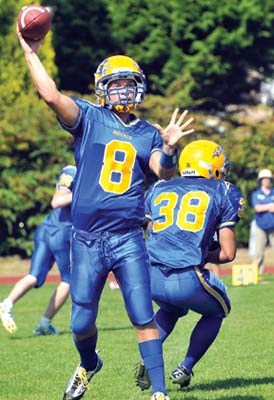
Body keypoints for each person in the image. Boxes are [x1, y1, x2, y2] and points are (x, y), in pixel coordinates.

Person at [17, 27, 195, 400]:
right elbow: (50, 95)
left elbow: (163, 171)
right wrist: (32, 52)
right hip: (85, 239)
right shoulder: (88, 117)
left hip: (128, 237)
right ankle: (89, 362)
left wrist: (170, 147)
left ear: (139, 88)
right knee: (81, 322)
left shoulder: (148, 132)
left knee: (141, 316)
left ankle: (159, 393)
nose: (124, 90)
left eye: (129, 84)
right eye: (116, 84)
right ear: (102, 88)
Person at [135, 140, 244, 391]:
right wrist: (203, 252)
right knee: (218, 310)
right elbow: (228, 254)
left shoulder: (159, 188)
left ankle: (148, 357)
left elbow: (152, 231)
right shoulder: (223, 190)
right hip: (186, 276)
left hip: (152, 275)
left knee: (171, 310)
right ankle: (185, 367)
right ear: (212, 166)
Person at [0, 165, 76, 335]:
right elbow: (57, 201)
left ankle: (7, 304)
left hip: (47, 228)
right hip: (61, 231)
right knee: (68, 280)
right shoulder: (73, 172)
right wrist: (83, 192)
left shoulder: (77, 171)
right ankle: (44, 324)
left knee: (34, 276)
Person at [251, 169, 274, 275]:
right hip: (260, 226)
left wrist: (263, 206)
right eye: (264, 179)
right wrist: (270, 206)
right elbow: (257, 208)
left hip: (273, 225)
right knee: (258, 253)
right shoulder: (256, 194)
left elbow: (261, 207)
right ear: (260, 180)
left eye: (268, 179)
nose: (266, 181)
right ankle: (256, 275)